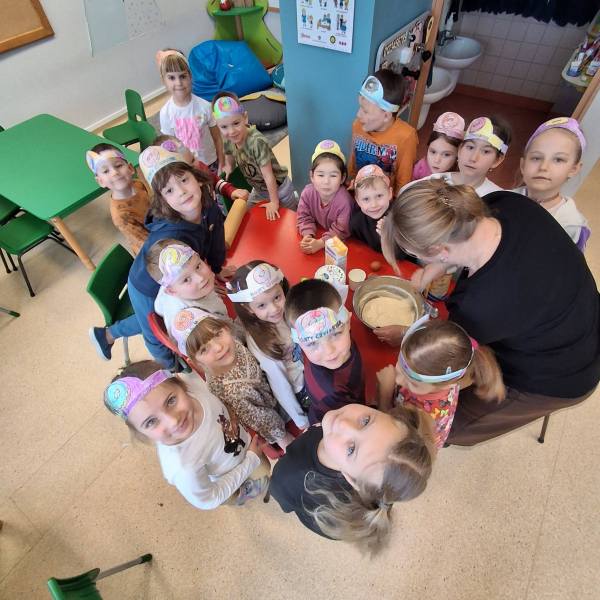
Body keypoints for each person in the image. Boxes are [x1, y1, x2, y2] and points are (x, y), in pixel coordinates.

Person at [381, 179, 600, 445]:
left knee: (454, 427)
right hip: (578, 314)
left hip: (563, 373)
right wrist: (432, 269)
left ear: (439, 250)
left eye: (421, 256)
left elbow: (450, 351)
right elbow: (460, 236)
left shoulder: (478, 305)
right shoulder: (506, 204)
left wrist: (407, 335)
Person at [89, 145, 242, 367]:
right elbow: (180, 286)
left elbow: (215, 237)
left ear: (197, 178)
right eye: (169, 190)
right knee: (154, 326)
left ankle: (107, 334)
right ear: (162, 200)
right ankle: (167, 364)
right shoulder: (172, 236)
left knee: (163, 315)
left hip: (178, 274)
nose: (181, 191)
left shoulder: (207, 204)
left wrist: (217, 269)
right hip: (147, 284)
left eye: (184, 180)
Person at [270, 403, 435, 554]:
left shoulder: (286, 476)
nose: (344, 424)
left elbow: (283, 499)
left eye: (351, 449)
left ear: (351, 479)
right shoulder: (366, 467)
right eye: (366, 421)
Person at [103, 360, 270, 509]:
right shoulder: (182, 467)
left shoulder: (192, 382)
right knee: (253, 488)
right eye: (151, 422)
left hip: (248, 446)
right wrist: (251, 460)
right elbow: (209, 499)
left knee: (266, 471)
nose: (173, 421)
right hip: (232, 481)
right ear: (142, 434)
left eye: (171, 401)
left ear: (181, 384)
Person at [376, 318, 505, 448]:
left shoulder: (424, 414)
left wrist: (385, 393)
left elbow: (393, 440)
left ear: (447, 385)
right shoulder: (449, 372)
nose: (397, 380)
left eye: (413, 383)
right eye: (400, 368)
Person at [173, 308, 288, 446]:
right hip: (276, 412)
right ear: (197, 363)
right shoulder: (232, 393)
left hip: (273, 385)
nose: (218, 347)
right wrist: (284, 438)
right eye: (204, 349)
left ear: (226, 328)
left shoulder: (231, 345)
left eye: (217, 334)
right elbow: (263, 420)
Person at [227, 261, 309, 429]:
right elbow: (281, 386)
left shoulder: (288, 307)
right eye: (262, 305)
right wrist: (301, 421)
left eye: (277, 297)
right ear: (248, 308)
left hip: (312, 364)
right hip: (302, 387)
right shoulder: (262, 343)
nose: (274, 309)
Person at [284, 279, 365, 425]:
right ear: (300, 344)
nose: (329, 351)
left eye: (335, 334)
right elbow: (354, 424)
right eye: (312, 343)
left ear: (348, 323)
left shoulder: (322, 351)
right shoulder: (331, 394)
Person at [212, 92, 297, 221]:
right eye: (224, 127)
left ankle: (294, 200)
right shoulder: (229, 139)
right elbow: (229, 154)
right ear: (218, 126)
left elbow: (268, 176)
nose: (231, 131)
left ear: (245, 118)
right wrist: (229, 166)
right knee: (248, 214)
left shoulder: (257, 142)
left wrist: (274, 202)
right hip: (258, 190)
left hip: (279, 190)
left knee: (289, 220)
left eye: (236, 123)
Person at [514, 116, 589, 250]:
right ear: (523, 165)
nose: (543, 167)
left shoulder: (572, 226)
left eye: (558, 160)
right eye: (536, 158)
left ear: (574, 169)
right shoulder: (500, 200)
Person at [348, 69, 418, 196]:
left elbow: (403, 181)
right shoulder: (358, 125)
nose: (358, 114)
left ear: (386, 115)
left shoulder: (406, 137)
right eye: (360, 107)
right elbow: (353, 165)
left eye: (365, 111)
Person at [156, 49, 225, 172]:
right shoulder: (165, 113)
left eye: (183, 76)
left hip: (210, 163)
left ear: (190, 76)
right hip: (186, 167)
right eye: (171, 78)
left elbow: (217, 138)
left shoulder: (205, 106)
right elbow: (170, 148)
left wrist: (222, 162)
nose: (178, 83)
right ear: (163, 80)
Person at [406, 116, 510, 197]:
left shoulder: (498, 198)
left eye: (486, 151)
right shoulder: (431, 182)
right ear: (460, 150)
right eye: (470, 147)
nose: (473, 158)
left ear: (497, 160)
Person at [146, 240, 228, 340]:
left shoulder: (171, 282)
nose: (200, 278)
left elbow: (159, 306)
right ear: (171, 291)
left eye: (198, 266)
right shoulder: (198, 325)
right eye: (186, 280)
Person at [85, 143, 149, 254]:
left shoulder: (138, 184)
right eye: (106, 171)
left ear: (130, 168)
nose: (114, 173)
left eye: (118, 166)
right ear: (100, 181)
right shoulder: (121, 216)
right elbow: (145, 244)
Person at [297, 140, 352, 254]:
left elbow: (341, 231)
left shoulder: (344, 201)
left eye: (333, 175)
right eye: (321, 175)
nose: (326, 181)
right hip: (319, 232)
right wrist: (307, 235)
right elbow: (303, 216)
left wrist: (321, 243)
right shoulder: (307, 193)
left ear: (342, 178)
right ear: (312, 176)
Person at [349, 164, 402, 256]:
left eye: (379, 196)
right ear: (357, 200)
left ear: (390, 193)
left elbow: (403, 256)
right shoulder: (356, 223)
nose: (374, 205)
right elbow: (357, 249)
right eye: (366, 199)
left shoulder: (400, 218)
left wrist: (388, 238)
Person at [411, 112, 465, 180]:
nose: (436, 160)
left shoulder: (460, 177)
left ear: (458, 154)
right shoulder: (420, 167)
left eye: (446, 154)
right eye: (433, 152)